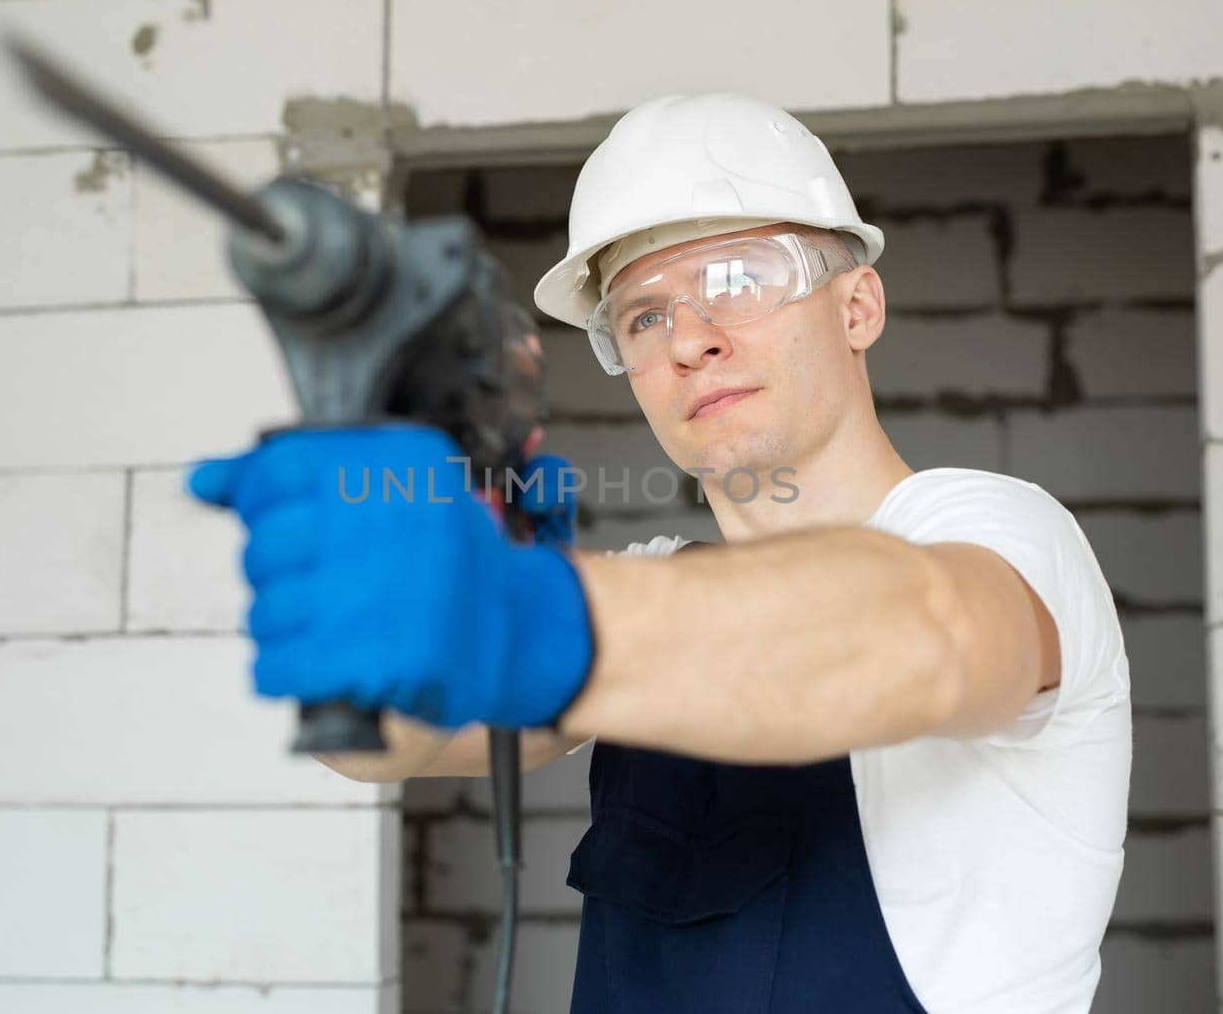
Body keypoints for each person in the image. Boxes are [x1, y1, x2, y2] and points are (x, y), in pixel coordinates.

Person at [186, 93, 1132, 1014]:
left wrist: (533, 612)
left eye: (737, 279)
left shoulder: (1001, 533)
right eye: (642, 315)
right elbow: (401, 743)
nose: (688, 339)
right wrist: (383, 618)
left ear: (857, 308)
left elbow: (932, 633)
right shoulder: (647, 585)